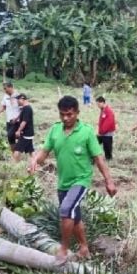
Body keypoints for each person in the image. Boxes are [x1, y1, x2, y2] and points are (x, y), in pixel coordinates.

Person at [28, 96, 117, 264]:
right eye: (62, 114)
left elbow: (99, 158)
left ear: (77, 112)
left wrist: (109, 181)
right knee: (74, 217)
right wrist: (34, 162)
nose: (65, 118)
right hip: (63, 182)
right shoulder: (55, 130)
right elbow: (44, 152)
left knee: (66, 210)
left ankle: (63, 250)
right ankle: (84, 249)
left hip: (81, 180)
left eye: (69, 114)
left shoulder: (87, 131)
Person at [0, 82, 20, 153]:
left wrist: (18, 118)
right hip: (8, 120)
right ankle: (14, 153)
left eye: (5, 88)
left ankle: (21, 150)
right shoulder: (5, 96)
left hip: (17, 121)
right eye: (4, 89)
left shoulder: (18, 96)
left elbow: (23, 109)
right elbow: (4, 106)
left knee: (11, 135)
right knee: (10, 138)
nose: (4, 90)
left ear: (11, 87)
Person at [13, 94, 34, 161]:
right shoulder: (25, 108)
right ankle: (36, 164)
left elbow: (24, 122)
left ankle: (15, 166)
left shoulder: (27, 109)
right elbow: (22, 114)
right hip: (29, 133)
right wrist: (16, 119)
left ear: (22, 99)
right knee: (31, 151)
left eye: (18, 100)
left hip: (26, 134)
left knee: (17, 150)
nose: (17, 102)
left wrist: (18, 131)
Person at [96, 96, 116, 161]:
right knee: (95, 143)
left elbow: (108, 123)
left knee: (107, 147)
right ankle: (94, 157)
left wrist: (101, 132)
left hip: (107, 133)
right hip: (102, 132)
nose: (98, 106)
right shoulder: (103, 110)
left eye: (98, 104)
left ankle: (109, 159)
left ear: (103, 102)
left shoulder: (108, 111)